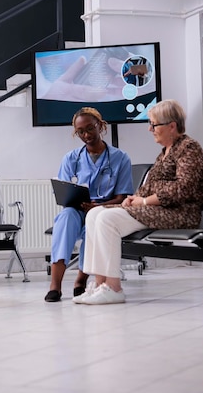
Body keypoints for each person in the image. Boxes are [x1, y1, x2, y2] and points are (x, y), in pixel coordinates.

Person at [74, 99, 203, 305]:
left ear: (171, 126)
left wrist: (143, 201)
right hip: (159, 209)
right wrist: (134, 199)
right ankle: (99, 285)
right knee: (94, 214)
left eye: (154, 124)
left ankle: (113, 288)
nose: (150, 129)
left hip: (179, 212)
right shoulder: (165, 153)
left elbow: (183, 188)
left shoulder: (189, 148)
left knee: (107, 219)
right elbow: (150, 187)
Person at [45, 107, 133, 302]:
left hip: (104, 210)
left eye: (90, 129)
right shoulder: (71, 158)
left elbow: (122, 197)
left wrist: (98, 207)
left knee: (95, 222)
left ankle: (80, 281)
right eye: (80, 132)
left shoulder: (120, 158)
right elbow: (63, 189)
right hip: (76, 210)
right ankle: (55, 286)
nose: (86, 135)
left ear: (101, 126)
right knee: (65, 217)